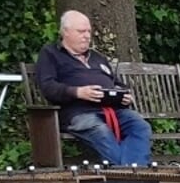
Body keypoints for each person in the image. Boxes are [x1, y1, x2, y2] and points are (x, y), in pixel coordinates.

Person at [34, 10, 152, 166]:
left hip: (113, 110)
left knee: (140, 126)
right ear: (65, 32)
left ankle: (129, 172)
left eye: (89, 31)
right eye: (81, 31)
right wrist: (78, 92)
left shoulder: (97, 57)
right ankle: (134, 172)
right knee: (100, 131)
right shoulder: (51, 54)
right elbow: (48, 86)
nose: (87, 36)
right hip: (78, 113)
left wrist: (123, 95)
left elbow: (118, 83)